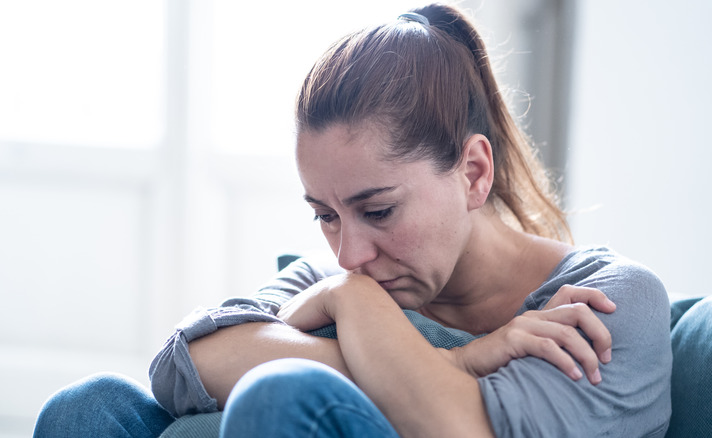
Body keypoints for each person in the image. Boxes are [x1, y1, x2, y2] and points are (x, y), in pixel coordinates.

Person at [34, 4, 671, 437]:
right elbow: (185, 364)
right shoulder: (344, 280)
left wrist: (355, 312)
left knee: (279, 396)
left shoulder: (609, 303)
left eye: (378, 210)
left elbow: (461, 429)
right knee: (87, 409)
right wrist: (455, 355)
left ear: (474, 173)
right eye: (325, 215)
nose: (348, 255)